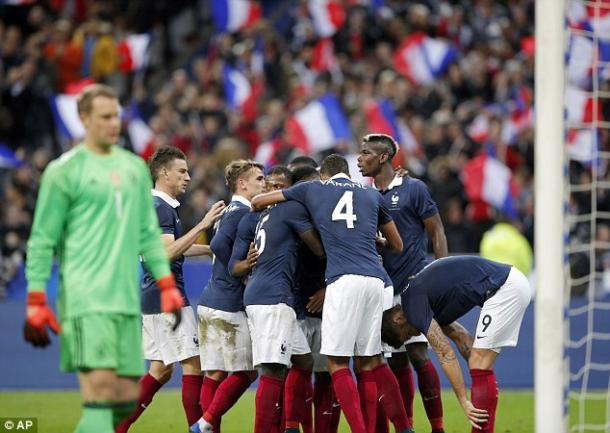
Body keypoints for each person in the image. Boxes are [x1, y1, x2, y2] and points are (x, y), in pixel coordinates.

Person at [23, 84, 184, 433]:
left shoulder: (130, 168)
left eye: (117, 116)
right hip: (86, 297)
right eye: (105, 117)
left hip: (125, 298)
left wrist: (167, 282)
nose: (114, 124)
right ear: (83, 119)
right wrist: (36, 296)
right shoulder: (63, 172)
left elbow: (145, 234)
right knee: (100, 395)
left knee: (121, 400)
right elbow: (41, 240)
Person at [251, 154, 407, 433]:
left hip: (343, 279)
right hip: (376, 280)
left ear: (323, 174)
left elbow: (258, 202)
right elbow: (396, 244)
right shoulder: (371, 194)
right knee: (370, 360)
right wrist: (368, 237)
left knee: (336, 363)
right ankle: (403, 427)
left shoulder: (314, 188)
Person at [115, 146, 225, 432]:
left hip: (152, 296)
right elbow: (166, 253)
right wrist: (203, 224)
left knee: (161, 370)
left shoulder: (153, 205)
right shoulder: (160, 207)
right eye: (182, 171)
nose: (188, 177)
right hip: (168, 298)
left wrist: (213, 249)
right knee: (193, 364)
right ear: (164, 173)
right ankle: (197, 428)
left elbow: (172, 249)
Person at [357, 133, 448, 433]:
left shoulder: (413, 188)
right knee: (394, 361)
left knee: (419, 354)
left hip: (414, 282)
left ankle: (437, 427)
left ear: (383, 157)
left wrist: (440, 274)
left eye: (366, 152)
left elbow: (436, 232)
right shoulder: (364, 196)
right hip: (382, 287)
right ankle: (405, 425)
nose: (359, 158)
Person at [381, 256, 532, 432]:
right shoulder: (425, 302)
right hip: (509, 283)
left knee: (479, 363)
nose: (415, 335)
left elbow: (445, 354)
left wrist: (464, 401)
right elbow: (462, 337)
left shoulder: (414, 307)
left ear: (398, 318)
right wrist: (482, 382)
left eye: (407, 335)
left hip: (504, 289)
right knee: (479, 364)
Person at [233, 165, 324, 433]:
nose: (274, 191)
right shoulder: (290, 209)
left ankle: (290, 428)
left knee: (304, 360)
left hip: (267, 294)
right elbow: (318, 250)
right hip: (273, 297)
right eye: (270, 186)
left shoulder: (264, 215)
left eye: (278, 186)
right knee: (272, 371)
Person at [190, 159, 266, 433]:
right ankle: (205, 422)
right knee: (248, 371)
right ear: (242, 183)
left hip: (212, 300)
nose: (264, 183)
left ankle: (207, 425)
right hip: (228, 302)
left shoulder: (230, 210)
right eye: (258, 179)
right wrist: (239, 268)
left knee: (214, 373)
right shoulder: (241, 212)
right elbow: (218, 244)